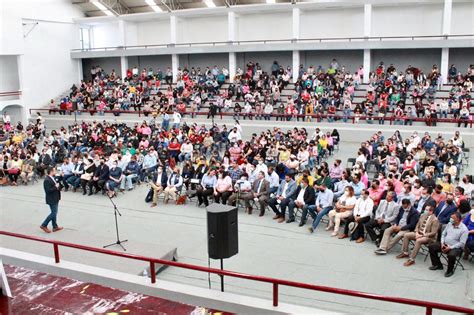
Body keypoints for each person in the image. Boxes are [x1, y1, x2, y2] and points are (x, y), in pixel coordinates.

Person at [428, 212, 468, 277]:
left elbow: (462, 243)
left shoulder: (464, 229)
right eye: (450, 217)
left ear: (457, 219)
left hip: (456, 247)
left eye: (452, 218)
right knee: (431, 246)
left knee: (451, 255)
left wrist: (450, 247)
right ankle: (437, 265)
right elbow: (443, 234)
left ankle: (450, 271)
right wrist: (442, 243)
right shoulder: (449, 224)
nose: (450, 219)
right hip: (445, 244)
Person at [40, 167, 63, 233]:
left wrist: (60, 178)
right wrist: (55, 187)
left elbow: (57, 182)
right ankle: (44, 225)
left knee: (54, 212)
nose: (55, 171)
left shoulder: (53, 177)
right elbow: (48, 190)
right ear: (51, 171)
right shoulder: (47, 180)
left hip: (56, 197)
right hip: (52, 198)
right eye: (54, 170)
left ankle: (55, 226)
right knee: (54, 213)